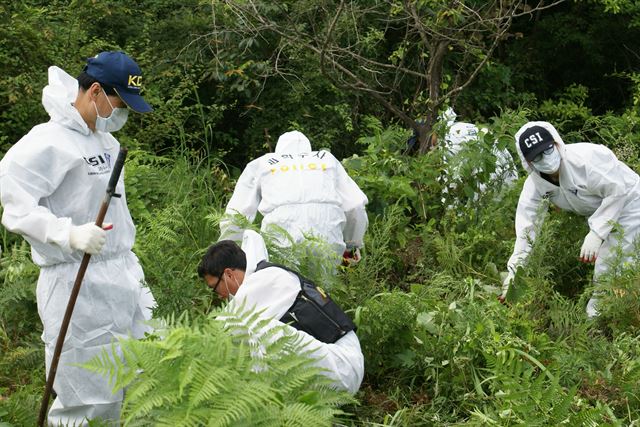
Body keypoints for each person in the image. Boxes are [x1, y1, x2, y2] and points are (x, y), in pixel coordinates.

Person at [0, 51, 156, 425]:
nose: (122, 114)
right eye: (119, 103)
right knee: (86, 391)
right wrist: (66, 233)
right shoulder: (46, 143)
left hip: (121, 275)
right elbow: (15, 207)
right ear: (96, 91)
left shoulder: (104, 141)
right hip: (75, 280)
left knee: (138, 376)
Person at [197, 230, 364, 394]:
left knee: (260, 330)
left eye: (214, 287)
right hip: (336, 359)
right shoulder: (265, 273)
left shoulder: (260, 283)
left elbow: (216, 334)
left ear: (228, 274)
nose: (218, 295)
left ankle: (260, 403)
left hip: (343, 368)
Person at [501, 121, 640, 317]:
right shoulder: (535, 185)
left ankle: (597, 325)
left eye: (548, 150)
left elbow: (618, 190)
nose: (546, 159)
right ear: (529, 163)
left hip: (631, 203)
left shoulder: (586, 159)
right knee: (622, 265)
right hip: (602, 211)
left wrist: (597, 233)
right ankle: (617, 317)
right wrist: (515, 272)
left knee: (610, 267)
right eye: (538, 156)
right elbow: (527, 230)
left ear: (556, 144)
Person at [220, 130, 368, 265]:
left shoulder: (262, 163)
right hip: (327, 236)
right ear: (308, 148)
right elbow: (355, 205)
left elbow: (237, 213)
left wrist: (228, 257)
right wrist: (351, 245)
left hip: (282, 236)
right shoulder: (327, 159)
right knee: (324, 291)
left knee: (284, 288)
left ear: (279, 149)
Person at [440, 108, 518, 201]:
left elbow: (450, 183)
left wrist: (448, 211)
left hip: (491, 175)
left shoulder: (448, 139)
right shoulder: (461, 127)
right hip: (508, 172)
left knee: (484, 210)